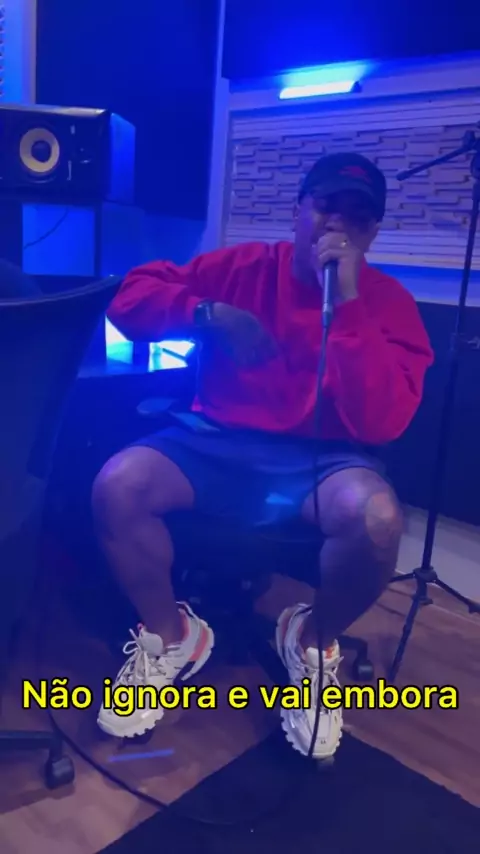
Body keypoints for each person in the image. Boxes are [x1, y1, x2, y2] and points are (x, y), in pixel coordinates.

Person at [92, 152, 434, 757]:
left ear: (373, 232)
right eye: (326, 206)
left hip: (322, 459)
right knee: (117, 485)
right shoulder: (243, 268)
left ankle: (311, 641)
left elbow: (383, 424)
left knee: (379, 520)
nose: (337, 223)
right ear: (299, 209)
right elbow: (130, 298)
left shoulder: (388, 303)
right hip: (215, 441)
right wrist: (209, 315)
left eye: (357, 216)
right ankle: (171, 636)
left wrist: (348, 310)